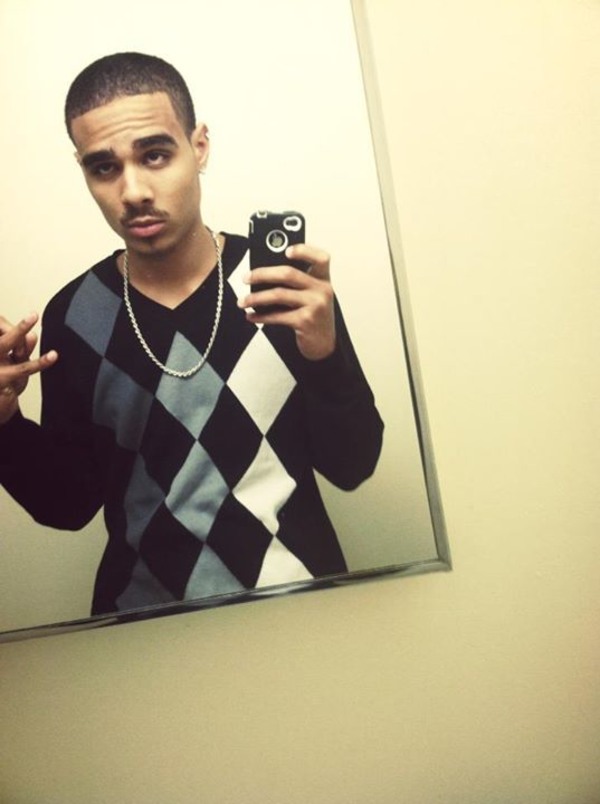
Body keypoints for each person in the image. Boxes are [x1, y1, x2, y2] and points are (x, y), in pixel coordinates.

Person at [0, 53, 384, 616]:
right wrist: (5, 426)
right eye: (103, 167)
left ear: (199, 147)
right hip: (145, 631)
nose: (133, 190)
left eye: (155, 155)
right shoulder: (77, 315)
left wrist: (326, 358)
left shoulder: (279, 286)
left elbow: (353, 466)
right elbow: (69, 505)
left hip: (302, 614)